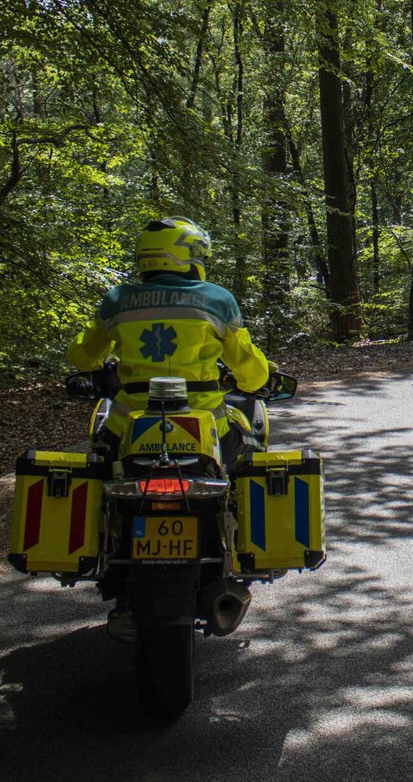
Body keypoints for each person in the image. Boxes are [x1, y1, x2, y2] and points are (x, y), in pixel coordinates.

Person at [66, 217, 275, 638]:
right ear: (186, 255)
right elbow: (250, 374)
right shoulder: (216, 300)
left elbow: (83, 357)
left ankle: (117, 577)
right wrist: (259, 378)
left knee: (103, 481)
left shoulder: (118, 300)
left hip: (130, 427)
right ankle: (237, 560)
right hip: (204, 427)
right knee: (244, 467)